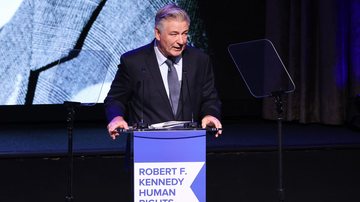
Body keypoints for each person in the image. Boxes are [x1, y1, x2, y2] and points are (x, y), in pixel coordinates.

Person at [104, 3, 222, 139]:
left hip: (189, 145)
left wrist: (210, 115)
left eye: (184, 34)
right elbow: (115, 99)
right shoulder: (133, 62)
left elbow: (210, 99)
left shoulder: (199, 60)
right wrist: (116, 117)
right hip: (147, 146)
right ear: (158, 34)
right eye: (174, 34)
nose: (181, 41)